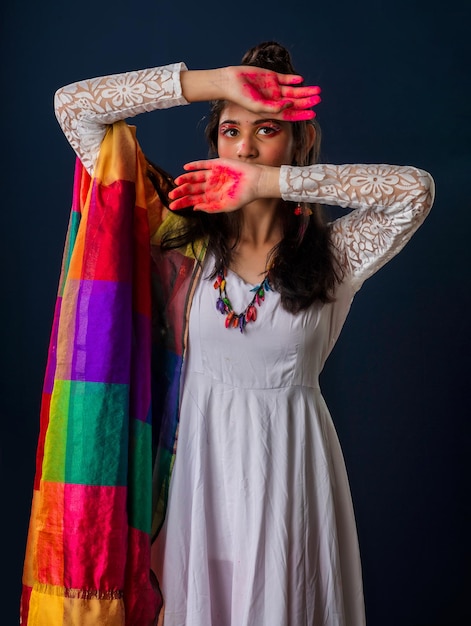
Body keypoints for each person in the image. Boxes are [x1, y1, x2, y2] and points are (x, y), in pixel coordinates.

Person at [21, 42, 434, 626]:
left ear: (299, 142)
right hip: (195, 476)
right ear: (214, 140)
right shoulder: (175, 236)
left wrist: (269, 183)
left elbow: (415, 191)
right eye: (229, 130)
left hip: (292, 475)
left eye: (266, 130)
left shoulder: (334, 255)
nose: (243, 147)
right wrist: (213, 83)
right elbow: (74, 107)